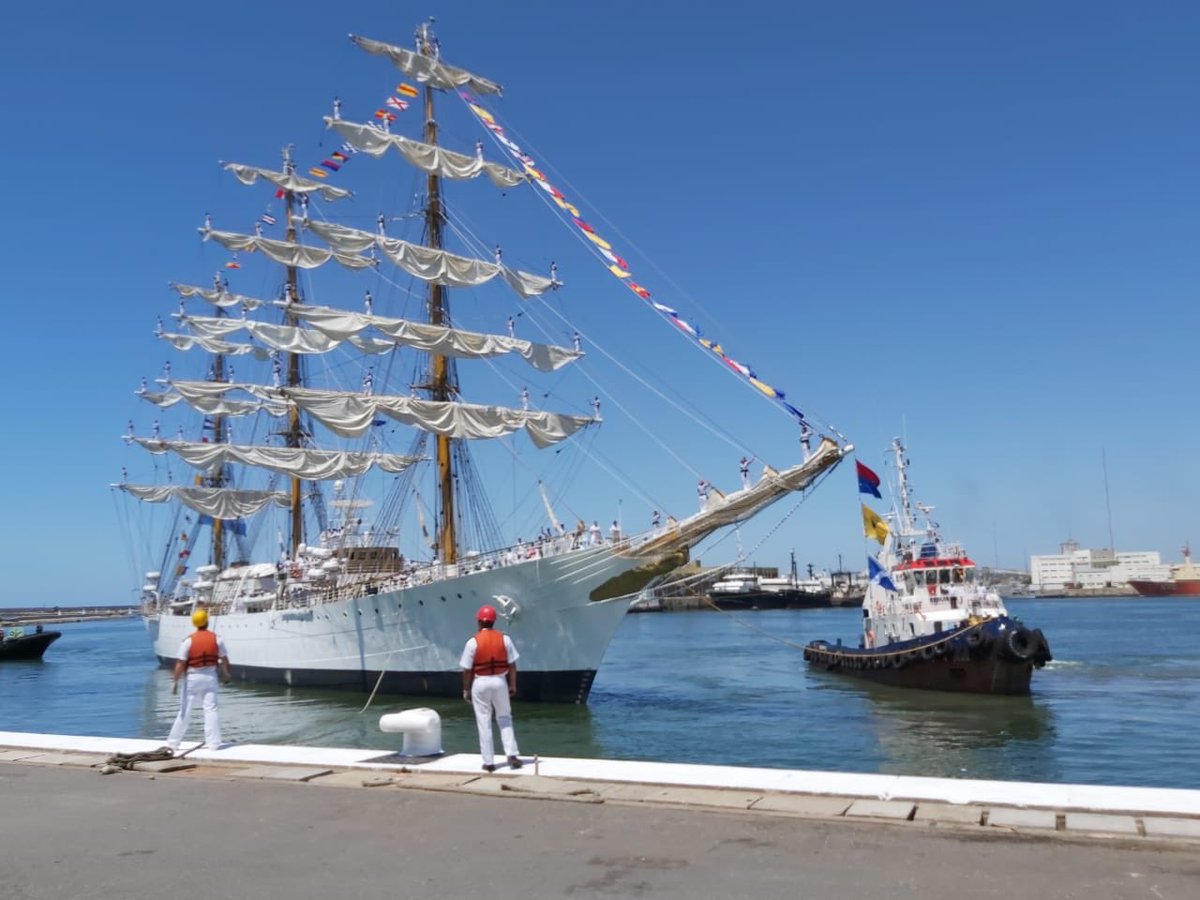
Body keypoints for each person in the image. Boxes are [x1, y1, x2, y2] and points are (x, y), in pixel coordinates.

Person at [459, 605, 522, 772]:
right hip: (500, 681)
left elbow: (466, 669)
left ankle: (489, 762)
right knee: (505, 717)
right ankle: (512, 755)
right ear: (494, 621)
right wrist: (513, 684)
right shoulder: (505, 639)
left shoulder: (472, 642)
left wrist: (466, 689)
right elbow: (513, 665)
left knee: (484, 721)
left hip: (480, 682)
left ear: (479, 621)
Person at [166, 608, 231, 753]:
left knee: (185, 711)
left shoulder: (188, 641)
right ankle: (214, 744)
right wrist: (226, 673)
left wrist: (175, 681)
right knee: (211, 710)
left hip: (193, 678)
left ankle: (173, 743)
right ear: (207, 621)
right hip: (210, 677)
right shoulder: (217, 639)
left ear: (194, 623)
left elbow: (180, 663)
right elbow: (225, 659)